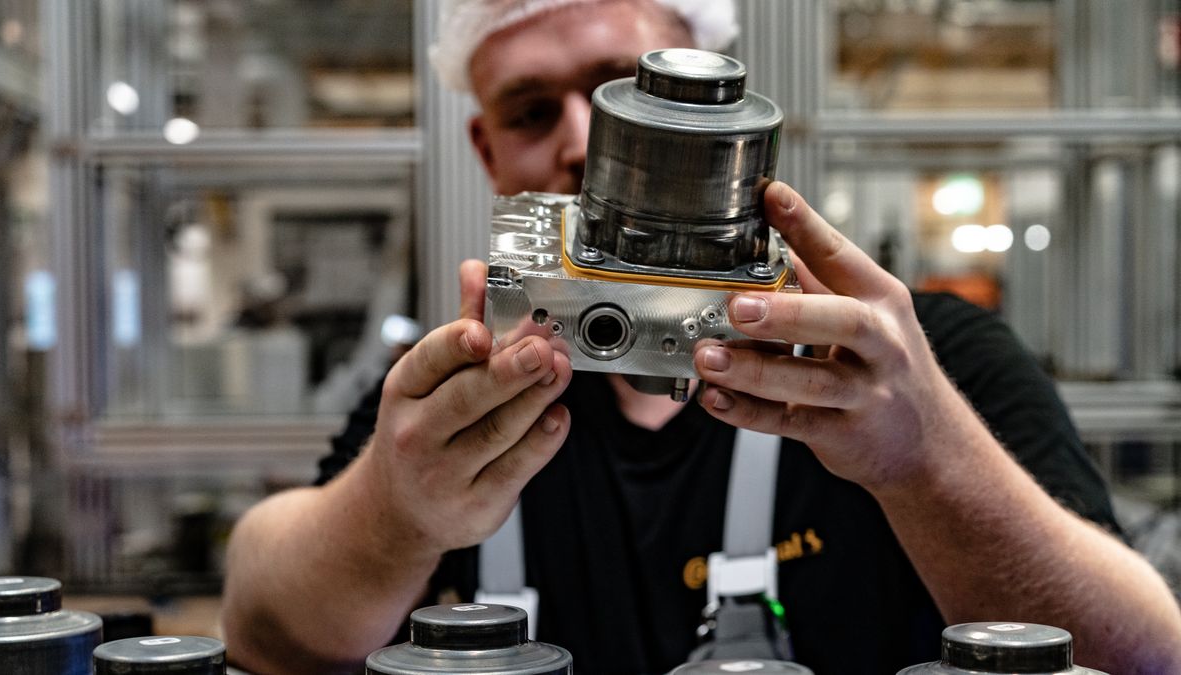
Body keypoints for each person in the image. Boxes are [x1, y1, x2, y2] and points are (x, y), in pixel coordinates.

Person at [220, 1, 1181, 673]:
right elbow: (267, 631)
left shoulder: (924, 367)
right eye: (528, 110)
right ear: (486, 151)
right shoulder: (449, 399)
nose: (581, 142)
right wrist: (396, 512)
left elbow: (1144, 654)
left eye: (620, 92)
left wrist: (926, 459)